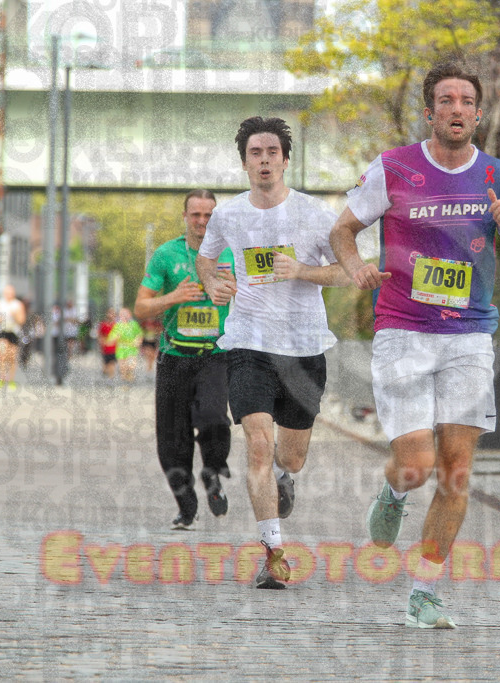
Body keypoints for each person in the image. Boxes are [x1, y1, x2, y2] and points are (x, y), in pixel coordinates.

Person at [329, 58, 500, 628]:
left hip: (470, 337)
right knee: (419, 464)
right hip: (402, 331)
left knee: (455, 471)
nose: (456, 109)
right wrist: (354, 267)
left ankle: (424, 591)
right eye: (445, 101)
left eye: (466, 101)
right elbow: (342, 229)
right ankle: (395, 494)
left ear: (477, 113)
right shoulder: (394, 167)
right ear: (429, 112)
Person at [196, 117, 349, 589]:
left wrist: (302, 269)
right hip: (247, 344)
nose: (264, 160)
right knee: (258, 446)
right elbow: (207, 257)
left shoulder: (315, 213)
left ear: (285, 159)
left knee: (292, 456)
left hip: (303, 348)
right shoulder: (228, 214)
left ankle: (288, 477)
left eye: (272, 153)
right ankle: (274, 553)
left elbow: (345, 270)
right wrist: (212, 281)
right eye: (255, 153)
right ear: (244, 162)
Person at [135, 190, 235, 531]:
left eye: (209, 215)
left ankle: (213, 471)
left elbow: (258, 293)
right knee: (171, 441)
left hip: (215, 354)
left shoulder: (230, 253)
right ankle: (186, 505)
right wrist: (175, 296)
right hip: (174, 357)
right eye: (196, 215)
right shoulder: (167, 254)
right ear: (185, 216)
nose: (202, 222)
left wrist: (237, 288)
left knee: (212, 416)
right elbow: (141, 307)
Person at [0, 284, 27, 389]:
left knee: (12, 357)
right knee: (2, 354)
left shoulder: (18, 305)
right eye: (7, 292)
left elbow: (22, 320)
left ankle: (11, 380)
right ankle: (2, 378)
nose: (8, 295)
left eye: (10, 293)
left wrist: (15, 315)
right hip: (2, 331)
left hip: (14, 332)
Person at [107, 307, 142, 383]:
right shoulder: (117, 326)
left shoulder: (134, 324)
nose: (124, 316)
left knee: (130, 366)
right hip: (121, 349)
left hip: (132, 349)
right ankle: (124, 382)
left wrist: (138, 340)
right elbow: (111, 338)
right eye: (122, 314)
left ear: (129, 315)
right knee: (122, 367)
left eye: (125, 314)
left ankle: (129, 375)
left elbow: (139, 334)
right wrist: (115, 338)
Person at [98, 309, 118, 380]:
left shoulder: (116, 325)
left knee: (112, 364)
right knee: (106, 367)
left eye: (113, 314)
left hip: (114, 349)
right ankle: (105, 372)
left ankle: (111, 378)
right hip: (105, 348)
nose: (111, 315)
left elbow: (118, 336)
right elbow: (100, 336)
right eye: (110, 313)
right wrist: (102, 343)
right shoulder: (103, 325)